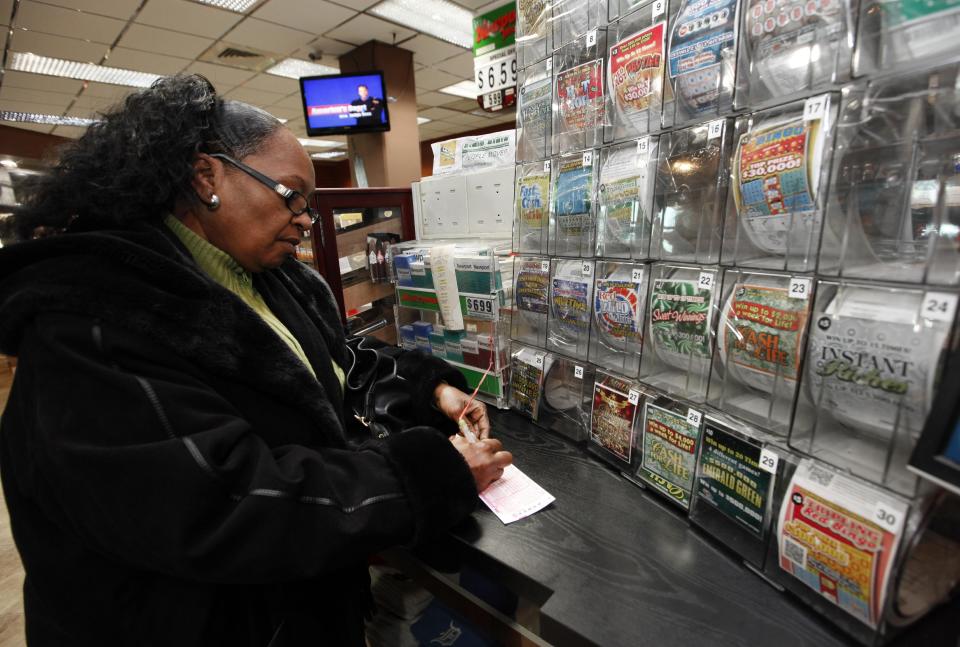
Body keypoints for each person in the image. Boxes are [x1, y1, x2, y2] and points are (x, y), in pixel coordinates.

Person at [0, 74, 512, 646]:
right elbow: (224, 502)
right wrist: (429, 476)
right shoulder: (93, 321)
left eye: (309, 207)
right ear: (206, 176)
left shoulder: (273, 281)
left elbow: (331, 365)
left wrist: (428, 388)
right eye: (291, 195)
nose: (303, 219)